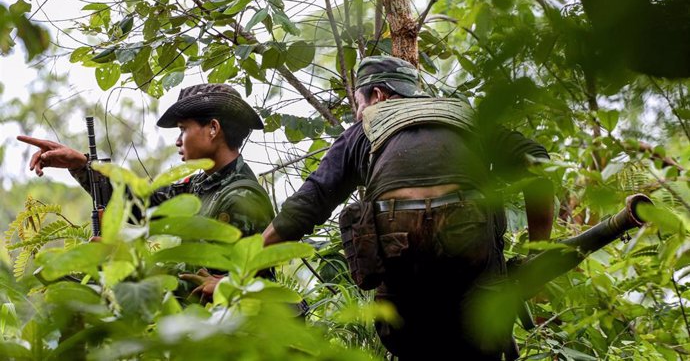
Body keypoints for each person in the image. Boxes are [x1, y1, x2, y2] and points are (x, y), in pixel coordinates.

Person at [260, 55, 555, 359]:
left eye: (357, 104)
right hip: (473, 260)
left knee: (413, 342)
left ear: (378, 95)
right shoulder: (467, 117)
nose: (358, 113)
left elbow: (307, 203)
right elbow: (540, 170)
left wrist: (247, 260)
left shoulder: (362, 131)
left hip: (403, 274)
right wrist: (539, 255)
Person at [17, 82, 274, 243]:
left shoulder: (240, 197)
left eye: (183, 129)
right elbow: (144, 206)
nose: (178, 141)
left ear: (213, 129)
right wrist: (83, 165)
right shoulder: (203, 185)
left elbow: (207, 289)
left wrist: (123, 262)